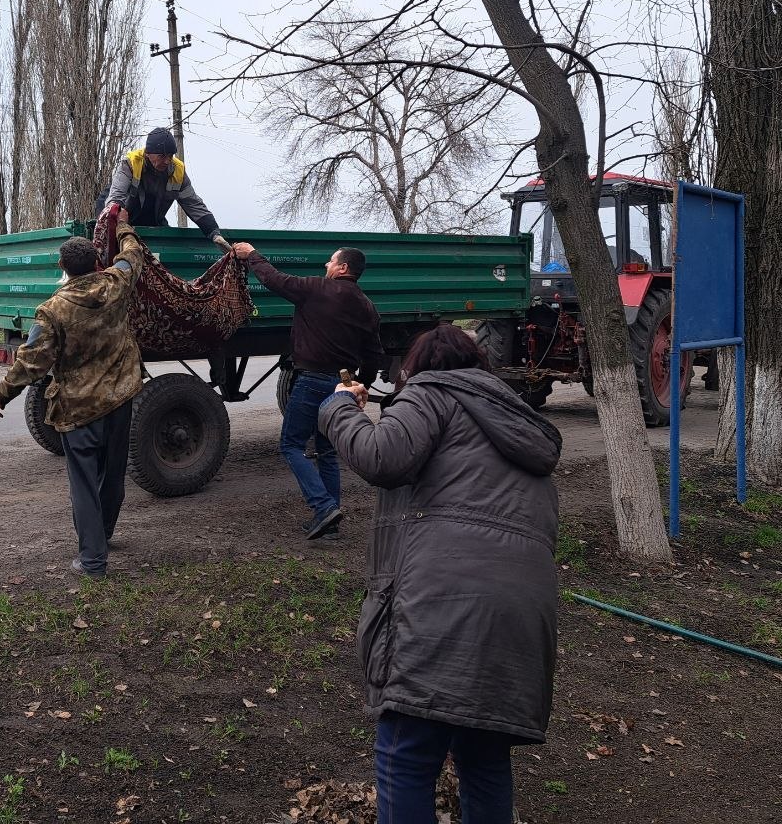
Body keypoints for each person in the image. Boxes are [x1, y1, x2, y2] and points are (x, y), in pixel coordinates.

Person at [317, 324, 561, 824]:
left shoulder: (431, 391)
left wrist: (340, 407)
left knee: (406, 751)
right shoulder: (518, 422)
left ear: (416, 368)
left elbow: (382, 456)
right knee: (484, 758)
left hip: (444, 602)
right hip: (522, 613)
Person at [0, 208, 144, 579]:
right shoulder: (116, 284)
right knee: (113, 476)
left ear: (62, 266)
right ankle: (102, 537)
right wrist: (121, 223)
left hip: (78, 410)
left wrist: (2, 394)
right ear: (95, 261)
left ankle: (92, 560)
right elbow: (132, 254)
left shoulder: (53, 311)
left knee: (84, 485)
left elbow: (31, 362)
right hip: (120, 401)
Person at [231, 241, 385, 540]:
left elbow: (275, 280)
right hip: (343, 386)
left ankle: (324, 506)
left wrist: (252, 256)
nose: (325, 266)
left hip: (313, 381)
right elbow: (374, 354)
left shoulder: (318, 290)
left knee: (291, 445)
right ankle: (331, 521)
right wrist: (359, 385)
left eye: (330, 261)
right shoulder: (367, 306)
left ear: (343, 268)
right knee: (327, 451)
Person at [100, 127, 229, 248]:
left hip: (153, 219)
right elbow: (116, 198)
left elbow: (194, 204)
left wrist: (214, 232)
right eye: (162, 156)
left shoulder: (178, 171)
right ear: (148, 153)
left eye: (170, 156)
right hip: (122, 214)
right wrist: (118, 219)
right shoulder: (130, 163)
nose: (167, 161)